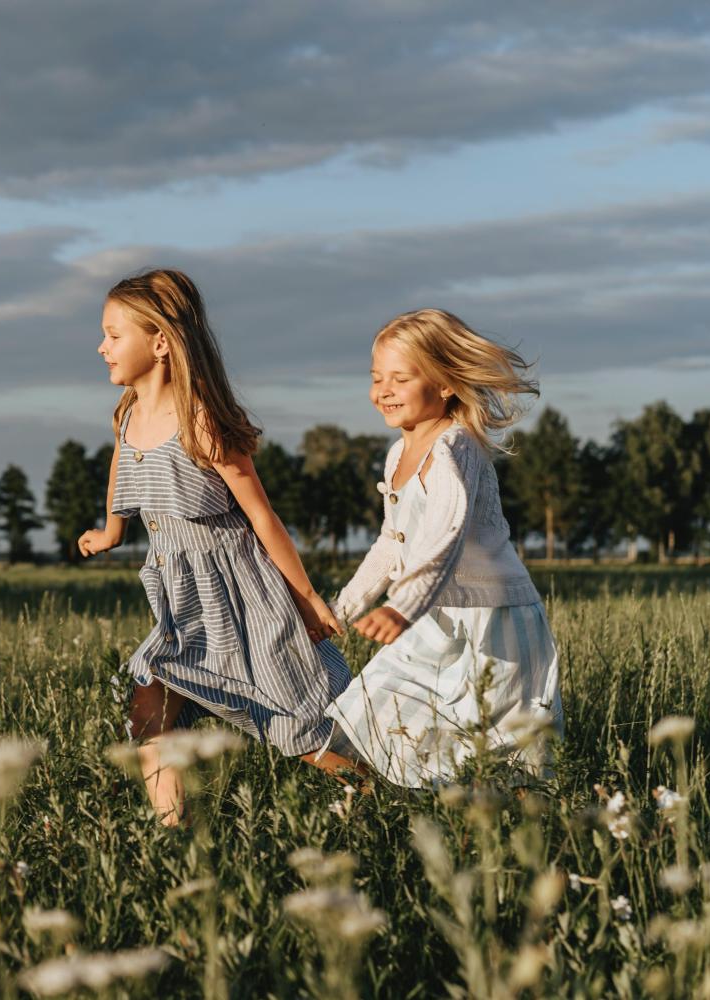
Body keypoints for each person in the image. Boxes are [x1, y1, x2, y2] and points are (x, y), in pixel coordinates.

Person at [78, 268, 356, 826]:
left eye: (113, 334)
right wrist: (114, 529)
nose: (101, 346)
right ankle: (172, 833)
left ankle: (370, 788)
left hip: (240, 594)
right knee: (148, 708)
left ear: (160, 342)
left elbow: (263, 517)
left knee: (290, 721)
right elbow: (121, 462)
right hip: (183, 601)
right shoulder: (129, 412)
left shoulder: (201, 423)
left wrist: (306, 599)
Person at [325, 308, 563, 788]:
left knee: (502, 755)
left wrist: (401, 607)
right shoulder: (397, 455)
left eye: (400, 378)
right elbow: (392, 545)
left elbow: (445, 537)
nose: (383, 391)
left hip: (494, 620)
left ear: (445, 383)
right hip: (430, 614)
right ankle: (388, 806)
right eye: (376, 378)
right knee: (369, 709)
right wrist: (341, 610)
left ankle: (530, 836)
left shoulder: (456, 447)